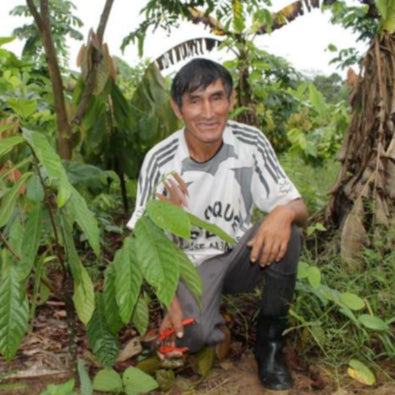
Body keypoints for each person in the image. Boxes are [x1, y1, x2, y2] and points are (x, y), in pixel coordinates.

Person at [127, 58, 308, 391]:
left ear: (231, 100)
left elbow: (298, 206)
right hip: (187, 265)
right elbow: (143, 237)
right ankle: (210, 326)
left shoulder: (250, 143)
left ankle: (269, 346)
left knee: (290, 231)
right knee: (189, 337)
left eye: (216, 97)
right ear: (177, 109)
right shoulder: (160, 158)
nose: (208, 112)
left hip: (241, 256)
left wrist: (282, 214)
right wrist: (169, 298)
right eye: (194, 101)